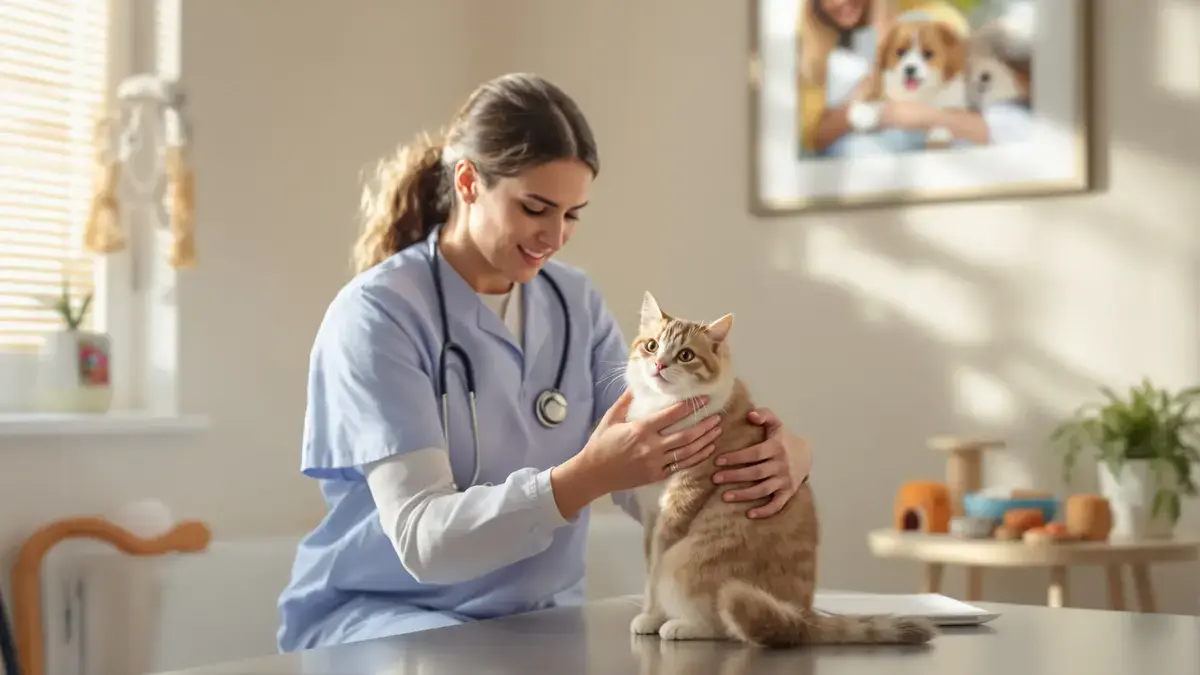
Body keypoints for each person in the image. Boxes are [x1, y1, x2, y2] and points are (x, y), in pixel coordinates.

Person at [275, 72, 814, 652]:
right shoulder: (378, 315)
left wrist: (770, 462)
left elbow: (649, 467)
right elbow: (421, 542)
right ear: (467, 183)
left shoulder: (573, 302)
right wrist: (582, 479)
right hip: (387, 621)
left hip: (536, 620)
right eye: (536, 208)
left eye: (573, 214)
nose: (555, 236)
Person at [796, 0, 989, 157]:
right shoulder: (816, 43)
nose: (838, 2)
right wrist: (865, 107)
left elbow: (979, 128)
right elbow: (815, 138)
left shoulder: (935, 20)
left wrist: (905, 115)